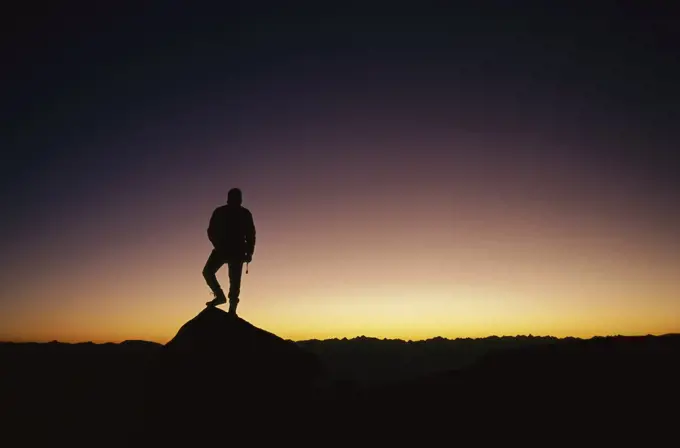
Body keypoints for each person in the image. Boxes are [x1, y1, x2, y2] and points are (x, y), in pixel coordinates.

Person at [202, 187, 256, 314]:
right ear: (229, 199)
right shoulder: (220, 212)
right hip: (222, 249)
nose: (237, 200)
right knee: (208, 272)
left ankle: (232, 309)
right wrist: (218, 244)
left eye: (239, 198)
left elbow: (251, 234)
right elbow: (211, 231)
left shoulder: (245, 214)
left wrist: (250, 252)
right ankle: (220, 296)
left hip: (238, 251)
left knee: (235, 281)